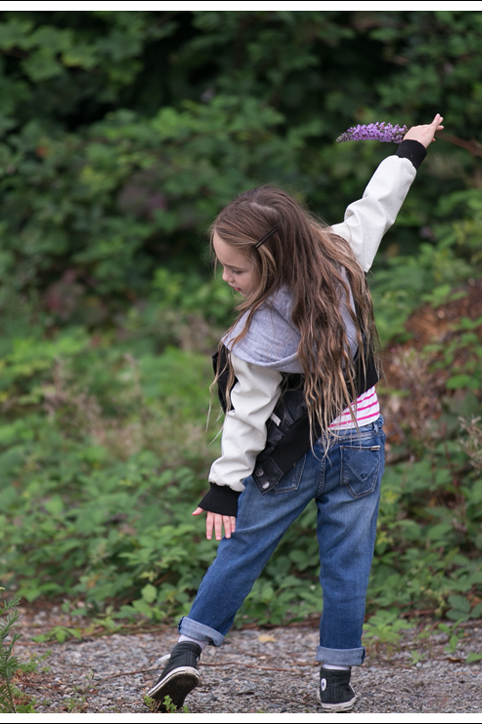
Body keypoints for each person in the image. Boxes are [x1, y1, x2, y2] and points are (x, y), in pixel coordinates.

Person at [146, 115, 445, 712]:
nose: (227, 279)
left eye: (236, 269)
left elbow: (247, 413)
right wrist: (410, 146)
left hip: (294, 454)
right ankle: (336, 678)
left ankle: (187, 649)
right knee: (348, 561)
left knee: (243, 546)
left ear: (272, 258)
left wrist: (225, 485)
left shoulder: (256, 332)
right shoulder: (342, 253)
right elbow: (379, 201)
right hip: (361, 444)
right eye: (223, 266)